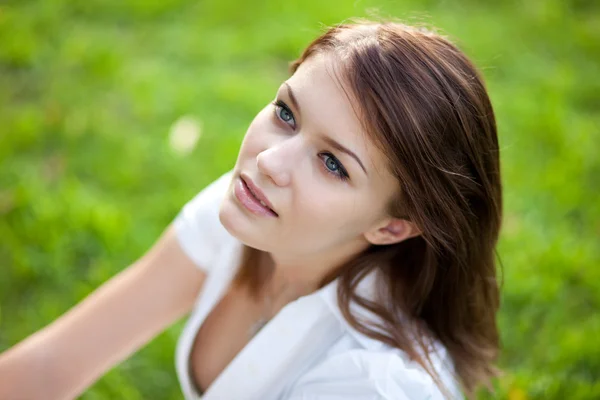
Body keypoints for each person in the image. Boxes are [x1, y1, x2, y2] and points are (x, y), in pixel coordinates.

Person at [0, 19, 503, 400]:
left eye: (332, 163)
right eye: (287, 113)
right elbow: (52, 367)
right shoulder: (251, 210)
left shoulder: (369, 383)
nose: (269, 160)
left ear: (392, 226)